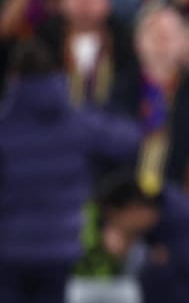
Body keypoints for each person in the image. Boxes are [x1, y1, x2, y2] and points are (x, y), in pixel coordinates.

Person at [0, 37, 140, 303]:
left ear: (13, 76)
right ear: (55, 73)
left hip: (9, 248)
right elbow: (129, 140)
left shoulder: (5, 126)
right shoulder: (78, 121)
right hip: (59, 247)